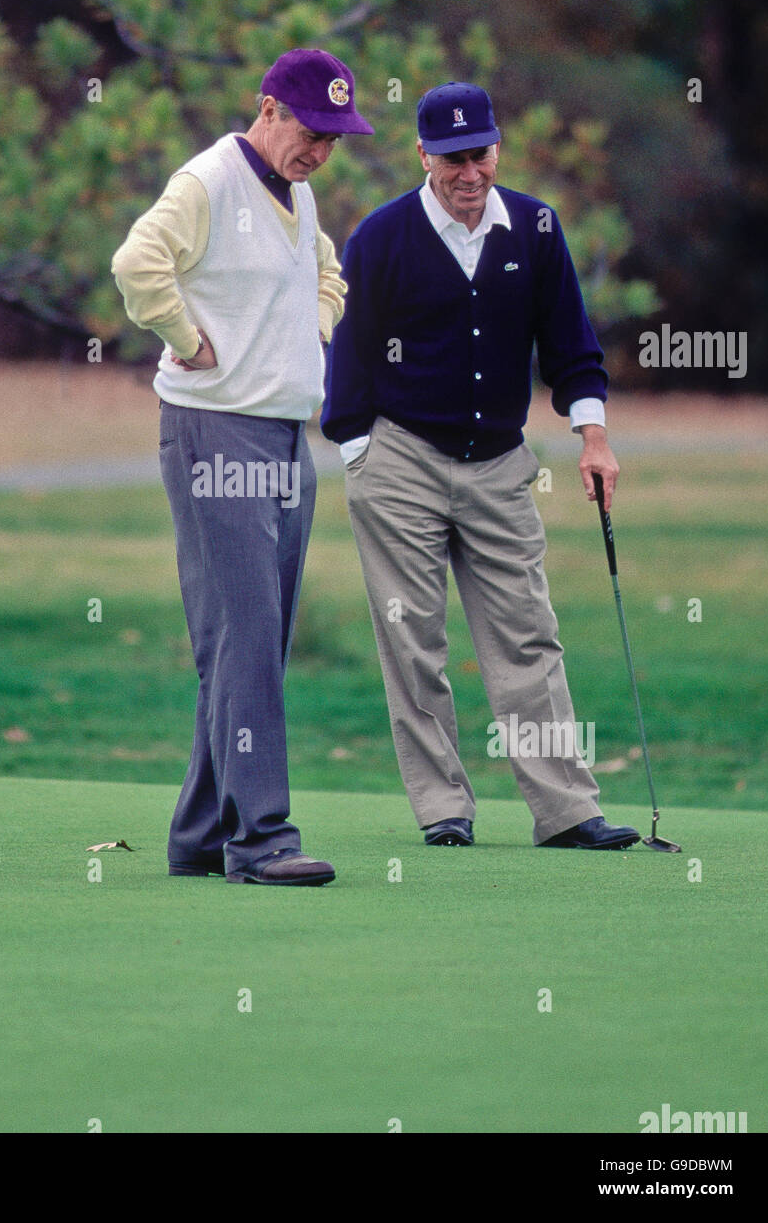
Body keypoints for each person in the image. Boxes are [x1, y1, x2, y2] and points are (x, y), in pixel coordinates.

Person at [321, 81, 640, 851]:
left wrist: (591, 436)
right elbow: (349, 351)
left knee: (526, 634)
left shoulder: (533, 227)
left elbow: (570, 343)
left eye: (482, 153)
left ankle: (564, 811)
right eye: (454, 157)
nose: (470, 171)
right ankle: (442, 810)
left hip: (500, 462)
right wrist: (355, 446)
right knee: (413, 638)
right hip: (398, 458)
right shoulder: (382, 235)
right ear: (424, 155)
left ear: (497, 148)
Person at [112, 48, 374, 884]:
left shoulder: (297, 191)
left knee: (246, 639)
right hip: (213, 433)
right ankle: (260, 838)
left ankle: (198, 835)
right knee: (248, 636)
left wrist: (314, 327)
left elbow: (326, 272)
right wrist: (188, 341)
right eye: (311, 130)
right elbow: (135, 263)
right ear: (268, 108)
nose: (322, 150)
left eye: (335, 137)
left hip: (283, 436)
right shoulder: (207, 182)